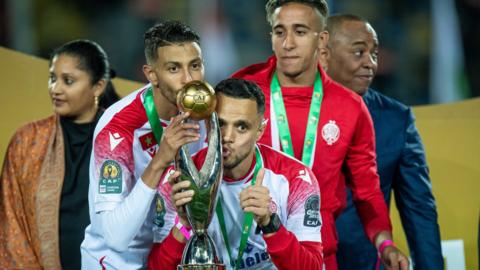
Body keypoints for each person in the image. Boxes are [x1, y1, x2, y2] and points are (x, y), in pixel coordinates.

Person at [232, 1, 409, 269]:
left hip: (316, 255)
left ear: (322, 39)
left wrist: (385, 243)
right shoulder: (241, 94)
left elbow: (368, 191)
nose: (288, 43)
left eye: (300, 32)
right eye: (280, 32)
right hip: (248, 253)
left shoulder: (349, 107)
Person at [148, 78, 323, 270]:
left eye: (241, 127)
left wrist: (270, 223)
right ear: (208, 125)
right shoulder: (181, 177)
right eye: (220, 124)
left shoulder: (295, 178)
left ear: (260, 130)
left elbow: (313, 267)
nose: (227, 137)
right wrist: (185, 224)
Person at [320, 14, 443, 270]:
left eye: (374, 54)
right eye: (359, 52)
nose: (370, 64)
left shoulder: (396, 121)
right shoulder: (286, 113)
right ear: (324, 54)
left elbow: (419, 211)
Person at [80, 20, 207, 269]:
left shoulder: (208, 115)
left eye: (195, 66)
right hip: (116, 263)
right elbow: (115, 238)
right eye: (173, 68)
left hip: (170, 256)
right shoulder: (118, 128)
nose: (188, 79)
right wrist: (161, 160)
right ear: (152, 75)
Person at [0, 39, 120, 270]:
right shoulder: (27, 141)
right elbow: (11, 224)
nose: (55, 89)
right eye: (53, 78)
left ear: (98, 86)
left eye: (68, 81)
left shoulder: (124, 139)